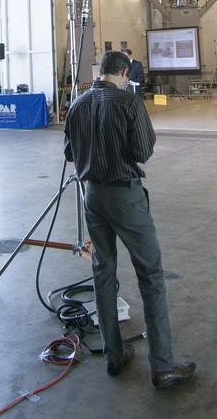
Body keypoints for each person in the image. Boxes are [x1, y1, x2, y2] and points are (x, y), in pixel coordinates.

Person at [63, 51, 196, 388]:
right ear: (123, 72)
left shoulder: (78, 103)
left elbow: (69, 153)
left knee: (103, 272)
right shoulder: (127, 102)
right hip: (125, 196)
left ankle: (114, 354)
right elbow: (142, 151)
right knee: (150, 274)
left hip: (91, 195)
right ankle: (163, 366)